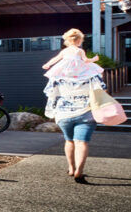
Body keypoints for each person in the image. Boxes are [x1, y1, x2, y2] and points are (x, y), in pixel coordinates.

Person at [43, 28, 104, 184]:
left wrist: (47, 65)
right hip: (86, 112)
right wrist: (94, 60)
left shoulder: (59, 75)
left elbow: (52, 93)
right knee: (81, 142)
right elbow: (99, 87)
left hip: (64, 113)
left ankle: (71, 168)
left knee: (69, 141)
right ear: (79, 40)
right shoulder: (89, 72)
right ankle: (79, 171)